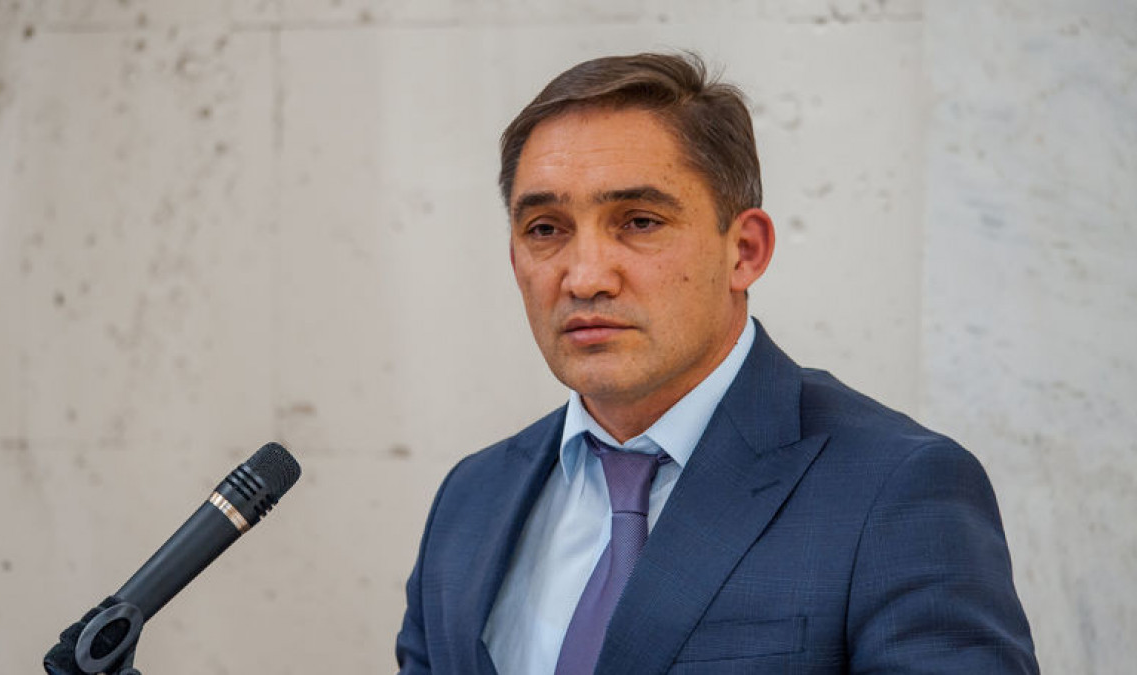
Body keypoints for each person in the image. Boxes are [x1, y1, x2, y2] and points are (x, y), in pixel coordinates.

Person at [396, 52, 1038, 674]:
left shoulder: (895, 490)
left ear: (745, 251)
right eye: (545, 229)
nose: (585, 277)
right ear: (515, 259)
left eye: (639, 222)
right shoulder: (471, 498)